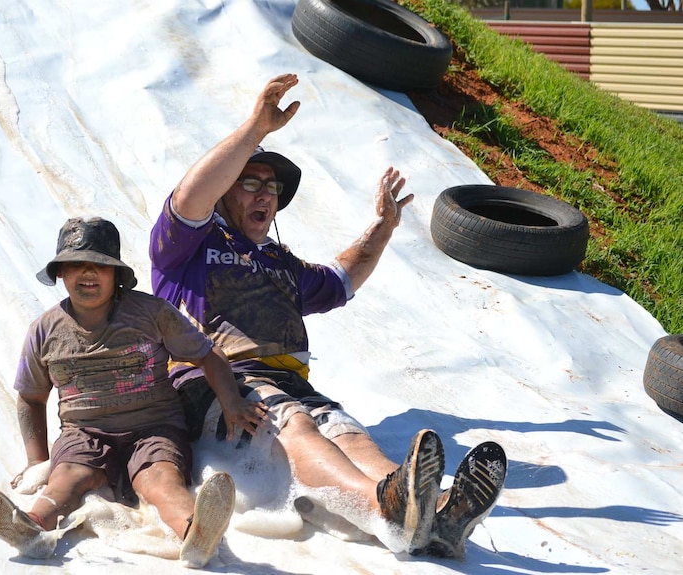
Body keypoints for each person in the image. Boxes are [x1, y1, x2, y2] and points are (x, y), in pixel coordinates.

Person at [149, 73, 508, 559]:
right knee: (295, 424)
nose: (264, 196)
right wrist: (256, 129)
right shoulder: (189, 245)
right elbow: (191, 196)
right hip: (216, 381)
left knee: (349, 433)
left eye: (271, 189)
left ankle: (434, 514)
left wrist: (382, 226)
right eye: (249, 184)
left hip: (289, 380)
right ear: (225, 194)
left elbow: (341, 280)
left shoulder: (280, 263)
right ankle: (381, 506)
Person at [0, 216, 267, 568]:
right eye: (76, 264)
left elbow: (207, 354)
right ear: (61, 273)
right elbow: (32, 398)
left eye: (100, 266)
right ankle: (31, 527)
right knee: (68, 478)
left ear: (116, 275)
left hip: (154, 427)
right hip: (84, 432)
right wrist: (37, 462)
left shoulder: (151, 313)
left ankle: (195, 534)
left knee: (160, 480)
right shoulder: (45, 330)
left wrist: (232, 403)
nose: (88, 273)